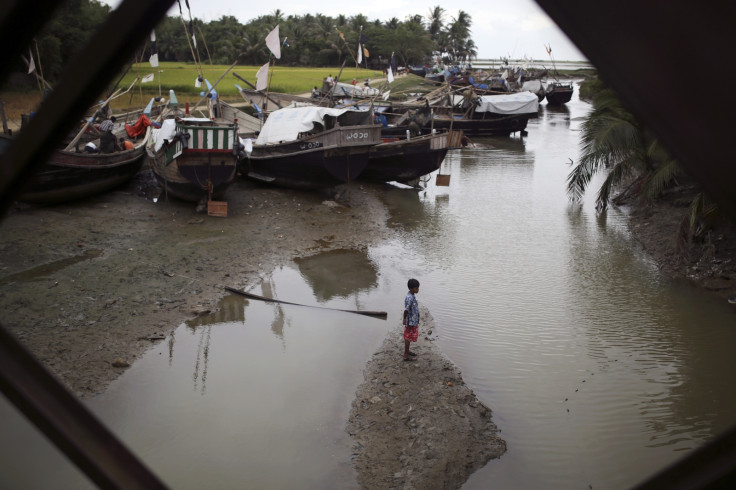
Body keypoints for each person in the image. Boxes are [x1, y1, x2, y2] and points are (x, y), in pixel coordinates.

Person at [402, 278, 420, 361]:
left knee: (409, 336)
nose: (418, 289)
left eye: (418, 288)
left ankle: (407, 351)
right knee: (408, 337)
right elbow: (406, 310)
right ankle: (406, 355)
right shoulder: (410, 298)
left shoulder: (412, 296)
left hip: (412, 320)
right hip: (410, 321)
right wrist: (404, 319)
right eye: (416, 288)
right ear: (411, 288)